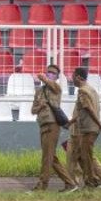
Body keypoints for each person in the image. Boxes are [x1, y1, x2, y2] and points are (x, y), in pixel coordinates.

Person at [30, 64, 77, 192]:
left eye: (53, 73)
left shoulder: (56, 88)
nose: (50, 74)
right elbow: (32, 110)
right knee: (51, 157)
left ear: (56, 77)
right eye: (48, 72)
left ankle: (42, 186)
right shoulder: (39, 91)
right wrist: (40, 107)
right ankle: (70, 183)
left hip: (52, 125)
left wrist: (44, 78)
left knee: (47, 157)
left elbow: (51, 84)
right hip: (43, 124)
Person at [69, 67, 101, 189]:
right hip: (92, 128)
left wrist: (98, 123)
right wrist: (71, 122)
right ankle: (92, 181)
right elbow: (83, 110)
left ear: (78, 77)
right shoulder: (92, 90)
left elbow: (88, 109)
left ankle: (93, 182)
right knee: (84, 155)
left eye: (73, 76)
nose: (71, 79)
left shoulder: (82, 91)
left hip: (88, 128)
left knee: (86, 157)